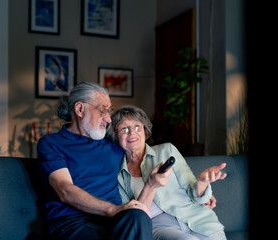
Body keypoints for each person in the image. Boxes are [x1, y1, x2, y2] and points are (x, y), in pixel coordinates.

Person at [37, 82, 153, 240]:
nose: (109, 119)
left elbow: (139, 149)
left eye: (109, 111)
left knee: (136, 216)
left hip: (113, 221)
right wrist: (112, 209)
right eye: (103, 110)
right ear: (80, 109)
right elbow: (65, 189)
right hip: (72, 223)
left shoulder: (114, 146)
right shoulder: (51, 144)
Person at [106, 105, 227, 240]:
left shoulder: (166, 150)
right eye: (124, 128)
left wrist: (202, 182)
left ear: (144, 132)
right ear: (115, 136)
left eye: (136, 127)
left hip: (196, 217)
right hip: (160, 225)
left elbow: (194, 192)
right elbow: (132, 218)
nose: (132, 132)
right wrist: (150, 185)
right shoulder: (118, 174)